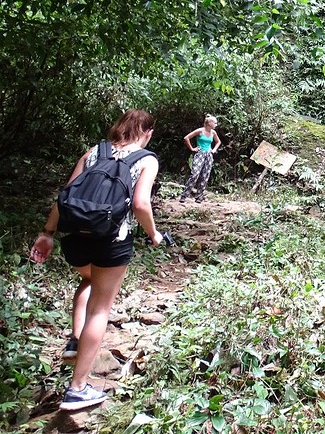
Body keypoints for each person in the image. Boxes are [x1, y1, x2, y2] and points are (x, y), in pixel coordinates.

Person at [29, 109, 163, 411]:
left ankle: (76, 341)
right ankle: (77, 388)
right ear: (148, 132)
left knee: (88, 279)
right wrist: (153, 234)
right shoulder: (146, 159)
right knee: (101, 309)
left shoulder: (93, 152)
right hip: (110, 242)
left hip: (75, 239)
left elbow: (65, 195)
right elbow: (141, 204)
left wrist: (47, 233)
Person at [179, 114, 221, 203]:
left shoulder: (213, 133)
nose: (216, 125)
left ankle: (199, 197)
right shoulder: (200, 131)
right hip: (200, 154)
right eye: (215, 123)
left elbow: (218, 142)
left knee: (205, 176)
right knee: (195, 174)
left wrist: (214, 150)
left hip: (208, 155)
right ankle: (184, 195)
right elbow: (186, 138)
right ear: (209, 123)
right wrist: (192, 148)